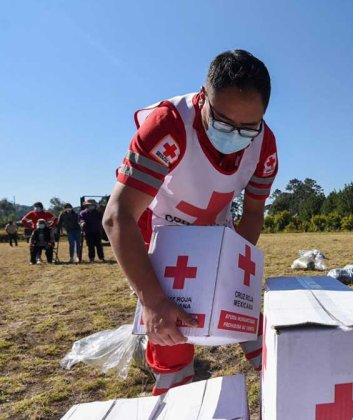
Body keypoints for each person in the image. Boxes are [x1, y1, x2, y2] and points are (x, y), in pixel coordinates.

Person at [103, 49, 277, 395]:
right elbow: (118, 215)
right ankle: (172, 399)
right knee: (172, 330)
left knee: (246, 314)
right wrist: (152, 299)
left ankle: (282, 386)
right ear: (202, 98)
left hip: (216, 233)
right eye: (225, 123)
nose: (235, 136)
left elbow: (254, 213)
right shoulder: (168, 125)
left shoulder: (264, 145)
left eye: (248, 128)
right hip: (160, 233)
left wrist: (232, 274)